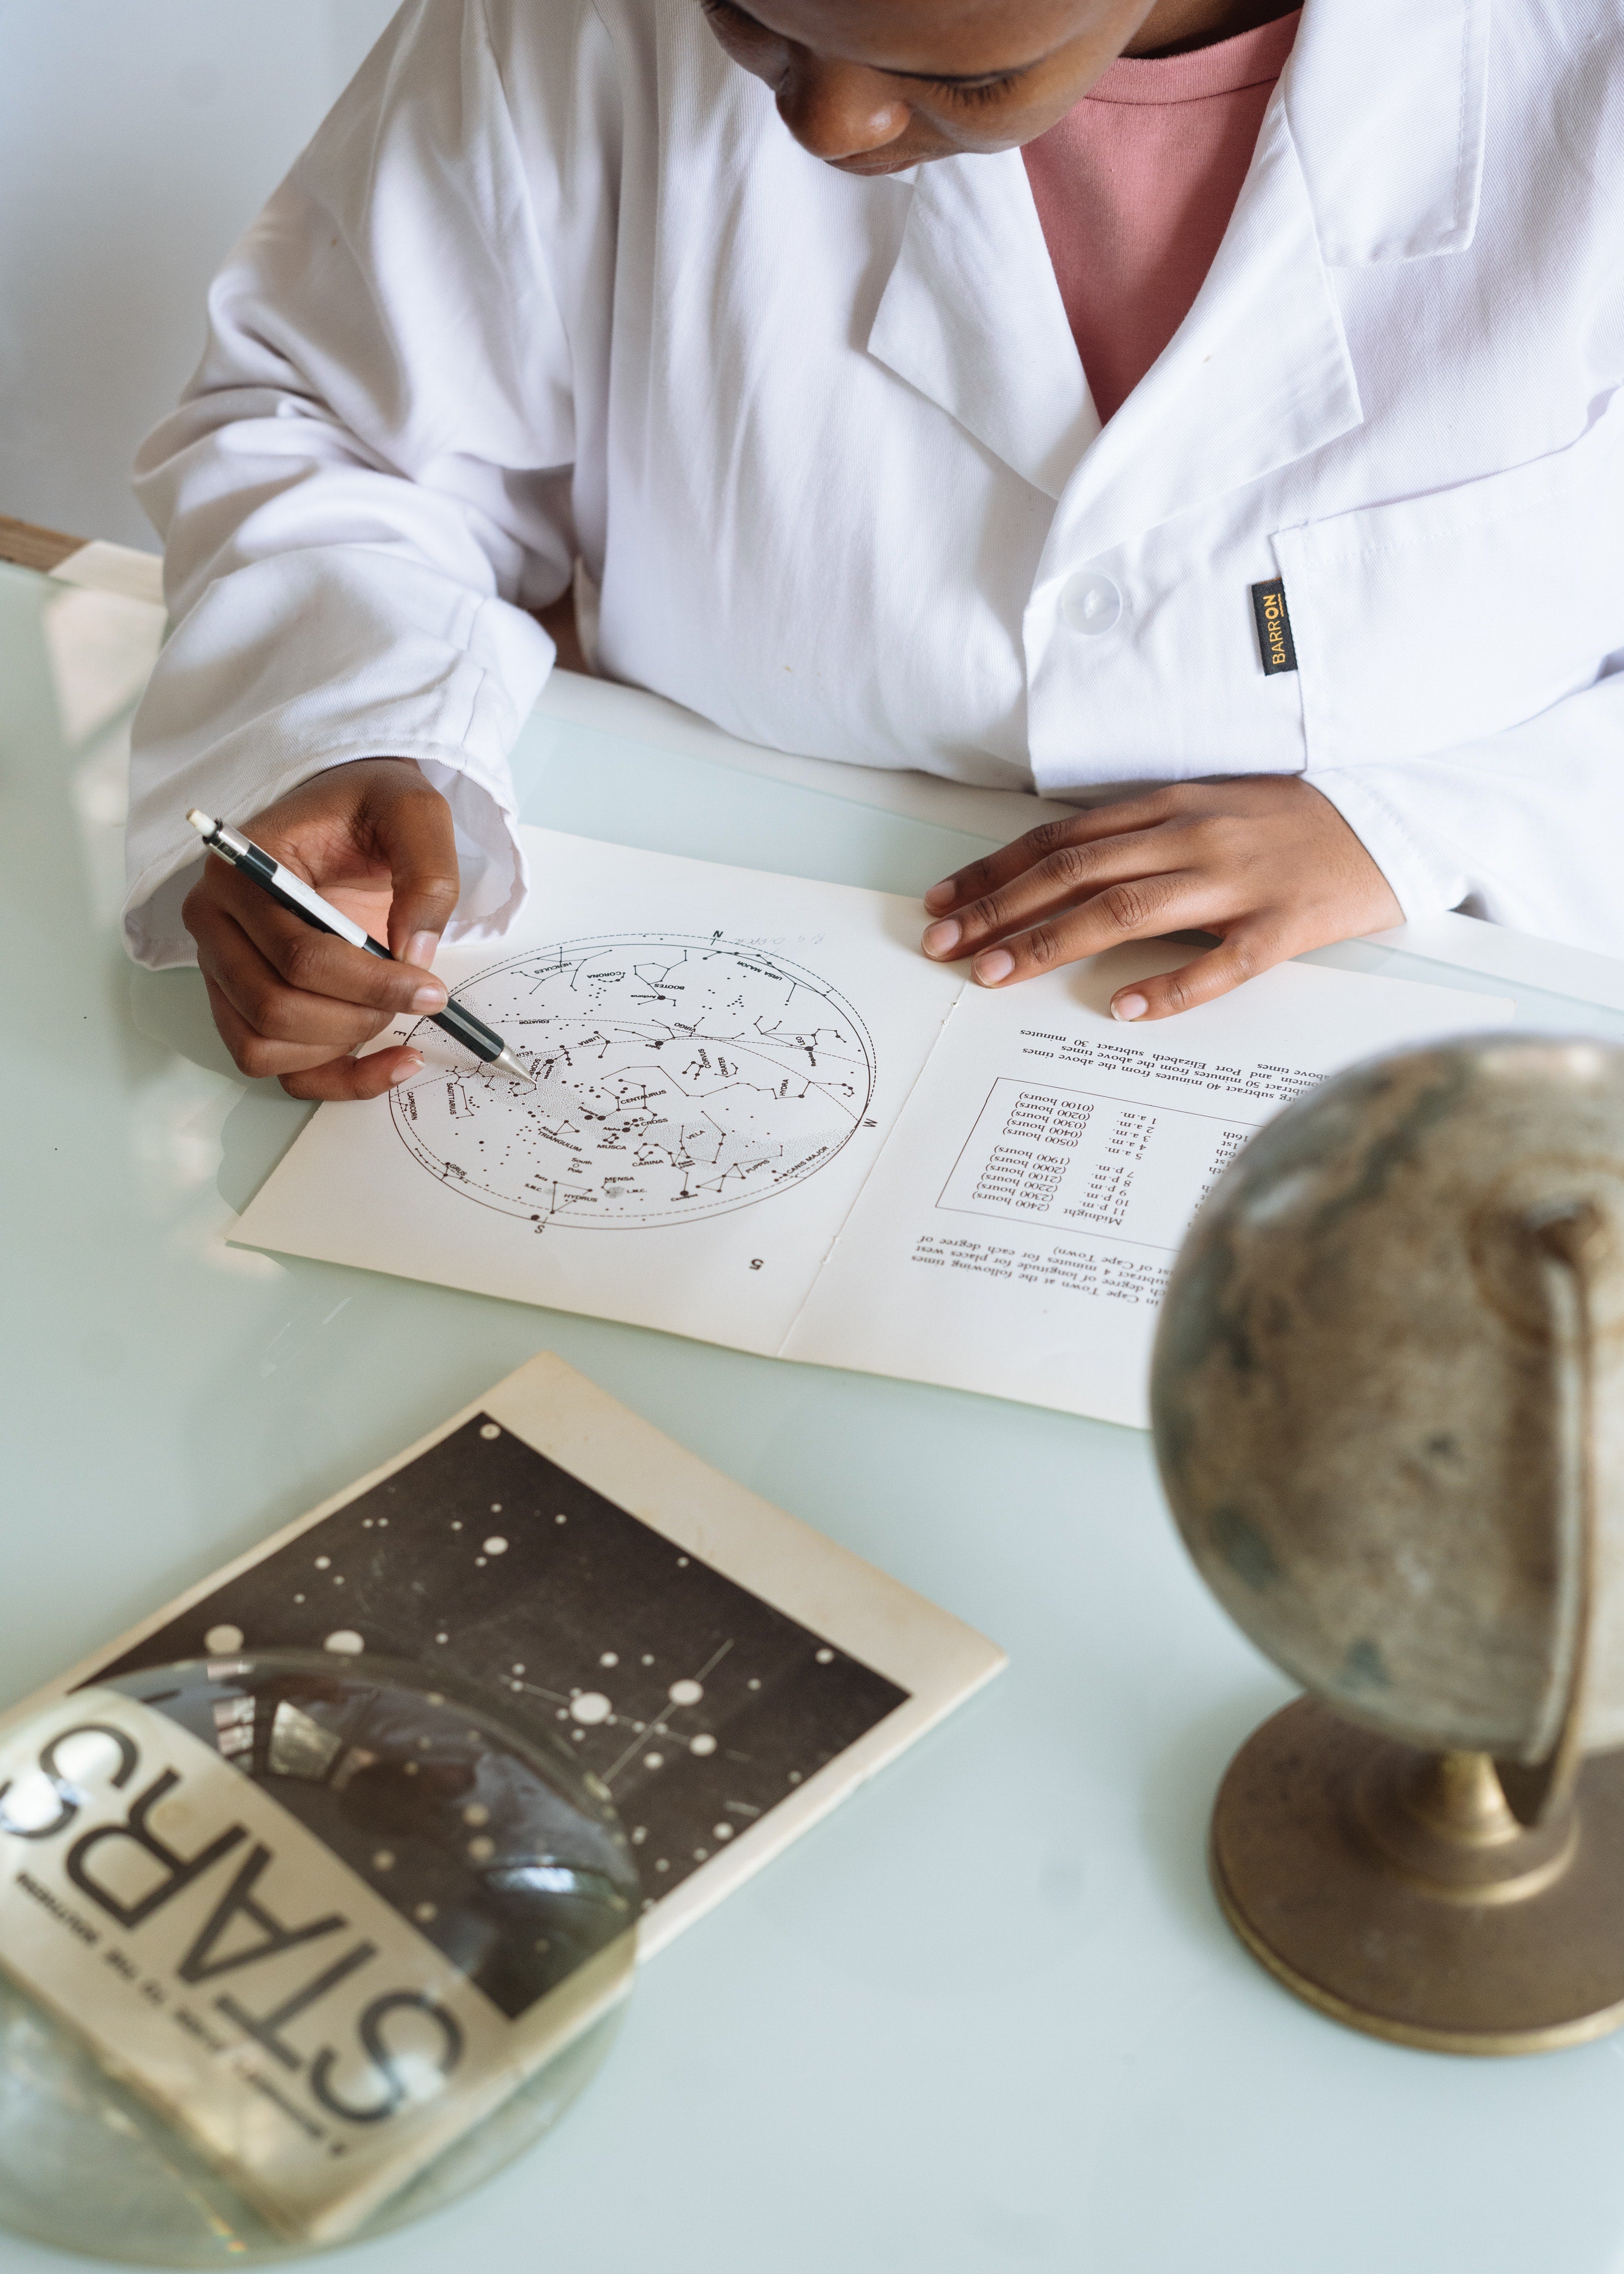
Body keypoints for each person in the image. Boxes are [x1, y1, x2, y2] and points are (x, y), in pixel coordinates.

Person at [124, 0, 1624, 1100]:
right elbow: (329, 431)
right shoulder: (572, 24)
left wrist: (1434, 831)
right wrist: (355, 733)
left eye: (966, 74)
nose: (828, 128)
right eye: (753, 22)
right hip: (721, 955)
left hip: (1444, 1036)